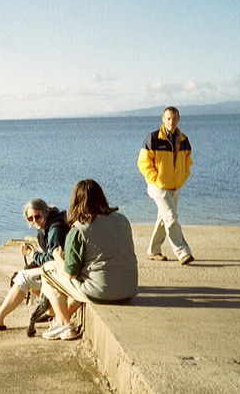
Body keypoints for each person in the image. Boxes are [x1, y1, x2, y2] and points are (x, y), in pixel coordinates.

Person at [39, 179, 138, 340]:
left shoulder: (79, 229)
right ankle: (59, 319)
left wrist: (57, 257)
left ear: (75, 201)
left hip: (101, 292)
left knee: (47, 270)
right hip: (129, 289)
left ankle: (64, 326)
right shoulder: (122, 220)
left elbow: (70, 273)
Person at [0, 198, 68, 333]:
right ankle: (51, 311)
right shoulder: (48, 225)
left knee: (23, 278)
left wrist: (32, 254)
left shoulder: (55, 229)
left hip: (62, 274)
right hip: (59, 272)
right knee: (23, 273)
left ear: (46, 212)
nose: (35, 221)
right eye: (30, 219)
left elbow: (53, 257)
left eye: (37, 216)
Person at [137, 106, 194, 265]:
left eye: (174, 118)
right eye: (168, 118)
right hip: (157, 186)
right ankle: (182, 252)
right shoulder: (153, 138)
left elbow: (188, 162)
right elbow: (143, 164)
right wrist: (156, 179)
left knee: (164, 218)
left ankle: (153, 250)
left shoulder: (184, 140)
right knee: (171, 216)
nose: (171, 121)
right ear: (163, 119)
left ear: (178, 119)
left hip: (175, 186)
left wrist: (183, 177)